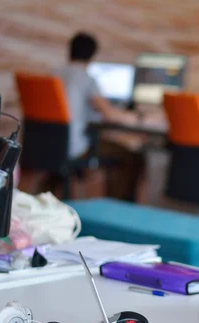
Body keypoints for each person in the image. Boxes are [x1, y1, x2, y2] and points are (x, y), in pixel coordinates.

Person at [55, 32, 146, 201]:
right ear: (92, 56)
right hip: (75, 148)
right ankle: (117, 209)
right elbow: (110, 115)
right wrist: (139, 118)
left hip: (49, 145)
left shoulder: (53, 74)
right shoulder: (86, 78)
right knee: (132, 157)